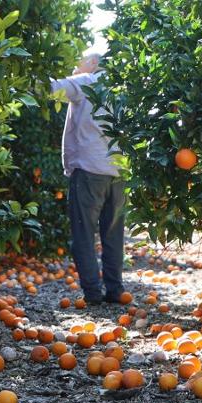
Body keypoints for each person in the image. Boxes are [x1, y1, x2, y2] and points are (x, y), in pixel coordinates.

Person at [50, 51, 125, 306]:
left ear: (94, 64)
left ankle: (93, 294)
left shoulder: (87, 82)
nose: (76, 64)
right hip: (118, 173)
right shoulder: (123, 88)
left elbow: (52, 89)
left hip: (90, 172)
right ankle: (115, 291)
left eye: (79, 59)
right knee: (113, 235)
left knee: (83, 234)